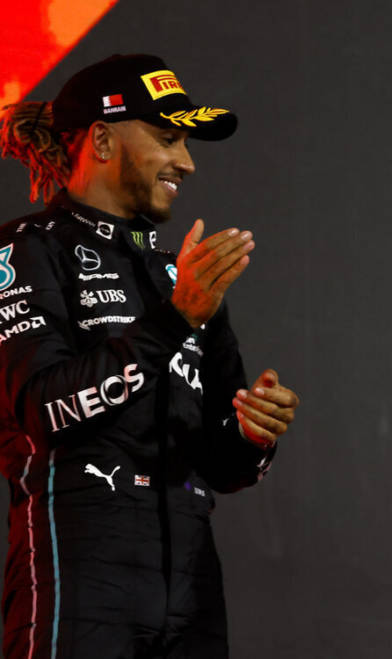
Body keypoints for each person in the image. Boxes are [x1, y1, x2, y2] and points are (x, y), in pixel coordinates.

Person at [0, 54, 299, 658]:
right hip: (80, 566)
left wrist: (254, 432)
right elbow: (41, 409)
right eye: (167, 139)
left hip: (193, 579)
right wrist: (175, 319)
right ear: (102, 140)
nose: (187, 162)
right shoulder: (27, 249)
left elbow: (225, 467)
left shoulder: (179, 277)